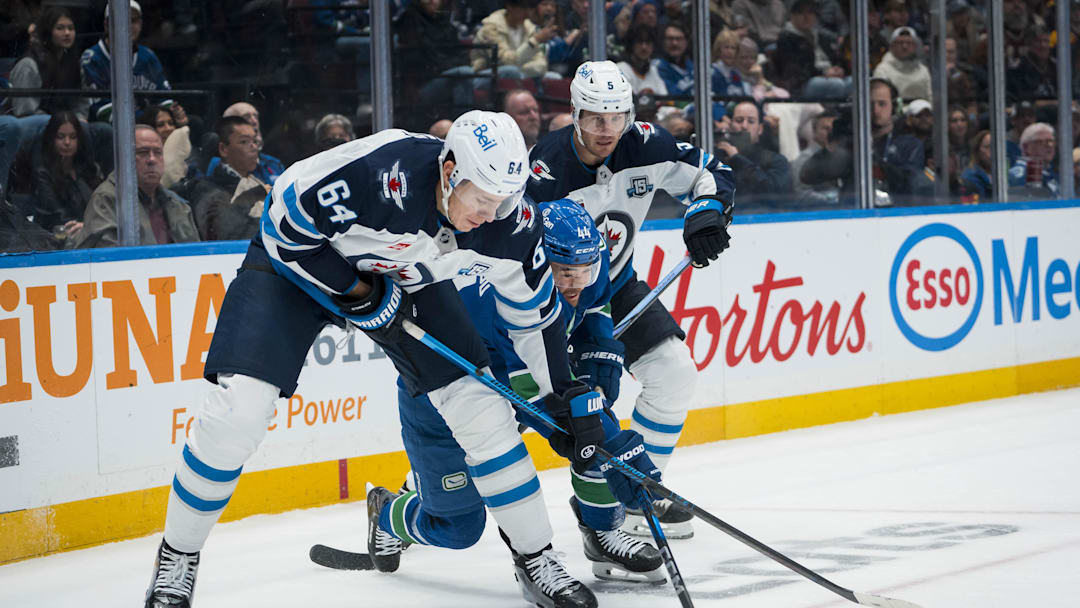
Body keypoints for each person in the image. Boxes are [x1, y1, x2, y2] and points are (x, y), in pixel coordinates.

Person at [143, 111, 648, 608]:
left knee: (482, 410)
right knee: (238, 416)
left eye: (503, 201)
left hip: (409, 280)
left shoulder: (510, 223)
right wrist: (358, 291)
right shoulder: (381, 175)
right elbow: (286, 222)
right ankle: (177, 556)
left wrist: (560, 398)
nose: (491, 215)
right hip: (293, 273)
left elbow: (535, 320)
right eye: (483, 199)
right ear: (450, 172)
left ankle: (535, 557)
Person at [382, 199, 665, 590]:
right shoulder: (501, 294)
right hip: (442, 398)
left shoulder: (587, 261)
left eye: (585, 269)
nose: (575, 283)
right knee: (458, 528)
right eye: (564, 272)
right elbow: (535, 395)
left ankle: (601, 532)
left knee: (588, 422)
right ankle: (387, 513)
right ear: (536, 261)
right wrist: (616, 446)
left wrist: (600, 352)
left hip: (522, 375)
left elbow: (597, 304)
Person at [527, 60, 735, 539]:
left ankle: (639, 497)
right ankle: (420, 496)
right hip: (552, 300)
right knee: (514, 413)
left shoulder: (646, 143)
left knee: (674, 371)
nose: (608, 130)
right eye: (596, 118)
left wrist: (706, 213)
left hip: (616, 287)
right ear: (575, 114)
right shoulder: (545, 172)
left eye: (617, 117)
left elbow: (711, 172)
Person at [76, 126, 198, 248]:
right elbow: (110, 260)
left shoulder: (178, 205)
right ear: (123, 158)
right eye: (143, 152)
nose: (152, 159)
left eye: (158, 152)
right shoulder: (106, 200)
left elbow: (196, 256)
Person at [81, 1, 172, 122]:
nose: (128, 26)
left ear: (140, 24)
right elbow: (102, 110)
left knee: (192, 122)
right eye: (121, 20)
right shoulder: (92, 58)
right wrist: (149, 119)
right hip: (112, 128)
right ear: (107, 25)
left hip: (151, 122)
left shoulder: (148, 56)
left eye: (133, 21)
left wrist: (173, 113)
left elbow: (165, 98)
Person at [188, 117, 265, 241]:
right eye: (244, 142)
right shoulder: (208, 190)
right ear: (223, 149)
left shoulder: (259, 183)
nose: (253, 147)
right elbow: (225, 235)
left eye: (255, 141)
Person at [31, 111, 102, 240]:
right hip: (57, 240)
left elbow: (103, 207)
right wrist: (86, 227)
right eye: (60, 137)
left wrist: (89, 226)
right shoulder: (42, 174)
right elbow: (57, 216)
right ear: (51, 139)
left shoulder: (89, 170)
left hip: (92, 233)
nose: (67, 142)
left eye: (73, 137)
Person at [6, 8, 88, 120]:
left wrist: (80, 117)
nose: (67, 33)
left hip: (66, 125)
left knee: (102, 130)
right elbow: (24, 112)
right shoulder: (28, 65)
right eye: (60, 28)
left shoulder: (74, 64)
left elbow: (80, 102)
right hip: (36, 124)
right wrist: (60, 122)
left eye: (71, 28)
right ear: (48, 31)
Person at [716, 101, 793, 209]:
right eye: (739, 120)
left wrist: (737, 159)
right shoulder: (719, 159)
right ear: (731, 125)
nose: (744, 126)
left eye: (751, 121)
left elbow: (775, 195)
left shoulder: (776, 160)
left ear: (760, 129)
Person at [471, 0, 558, 80]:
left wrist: (523, 69)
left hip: (521, 72)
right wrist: (535, 41)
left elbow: (542, 64)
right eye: (523, 7)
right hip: (487, 75)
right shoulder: (491, 27)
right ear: (510, 6)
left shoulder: (529, 27)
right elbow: (505, 62)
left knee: (555, 77)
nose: (527, 13)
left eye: (530, 8)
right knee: (511, 71)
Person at [207, 102, 285, 186]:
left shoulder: (274, 163)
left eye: (256, 116)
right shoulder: (216, 167)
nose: (254, 121)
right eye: (246, 117)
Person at [872, 26, 932, 102]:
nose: (904, 46)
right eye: (900, 43)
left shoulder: (923, 71)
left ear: (915, 46)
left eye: (909, 43)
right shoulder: (883, 70)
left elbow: (930, 98)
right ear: (892, 46)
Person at [141, 103, 193, 189]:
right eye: (161, 125)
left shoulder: (187, 153)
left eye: (171, 123)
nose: (168, 128)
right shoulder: (144, 159)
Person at [1008, 122, 1058, 197]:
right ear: (1026, 147)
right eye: (1043, 142)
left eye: (1051, 142)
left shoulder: (1047, 171)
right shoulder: (1022, 175)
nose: (1049, 146)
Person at [617, 25, 668, 96]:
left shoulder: (653, 69)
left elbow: (665, 98)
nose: (644, 47)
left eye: (648, 42)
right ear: (631, 45)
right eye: (639, 42)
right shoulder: (621, 69)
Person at [655, 23, 695, 97]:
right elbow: (671, 95)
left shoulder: (694, 67)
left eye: (679, 39)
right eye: (670, 39)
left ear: (686, 42)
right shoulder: (657, 67)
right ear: (663, 42)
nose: (674, 43)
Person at [959, 130, 992, 202]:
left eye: (994, 147)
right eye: (987, 147)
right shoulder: (970, 177)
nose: (992, 151)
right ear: (977, 151)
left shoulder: (1004, 173)